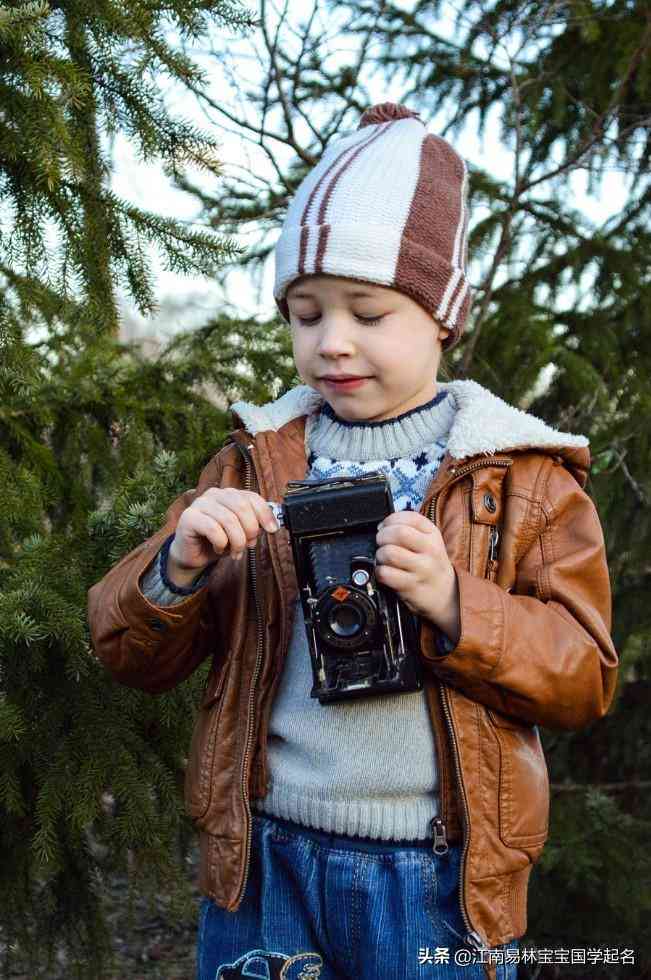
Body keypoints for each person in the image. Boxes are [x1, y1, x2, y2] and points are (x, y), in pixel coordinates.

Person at [87, 102, 619, 980]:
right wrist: (176, 569)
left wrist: (456, 604)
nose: (331, 342)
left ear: (440, 318)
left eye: (368, 314)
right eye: (304, 314)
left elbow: (583, 676)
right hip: (265, 862)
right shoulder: (255, 461)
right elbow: (128, 652)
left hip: (438, 876)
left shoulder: (519, 479)